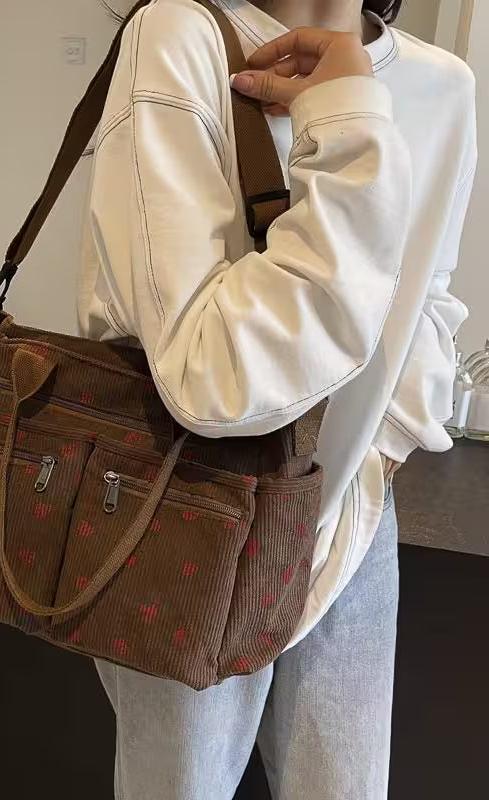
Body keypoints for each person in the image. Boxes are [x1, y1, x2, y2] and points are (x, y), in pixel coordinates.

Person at [78, 0, 477, 797]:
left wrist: (381, 446)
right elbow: (210, 376)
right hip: (184, 507)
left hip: (353, 510)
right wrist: (348, 121)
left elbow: (427, 295)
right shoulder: (180, 33)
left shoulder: (443, 83)